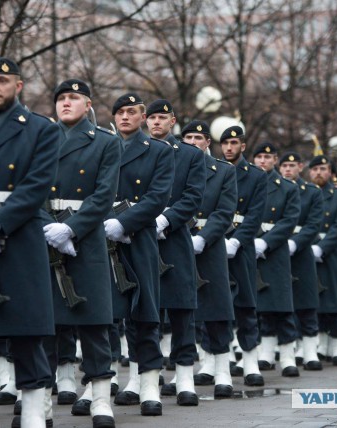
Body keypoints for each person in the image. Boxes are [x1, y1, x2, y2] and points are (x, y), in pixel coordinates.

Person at [0, 57, 60, 428]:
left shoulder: (39, 129)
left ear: (18, 86)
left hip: (18, 236)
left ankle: (35, 409)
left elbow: (37, 185)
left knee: (27, 329)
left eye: (2, 80)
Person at [40, 79, 121, 428]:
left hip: (85, 238)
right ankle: (40, 399)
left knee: (93, 322)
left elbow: (104, 195)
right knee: (45, 325)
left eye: (74, 98)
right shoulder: (42, 139)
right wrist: (47, 225)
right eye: (61, 99)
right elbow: (32, 187)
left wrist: (72, 228)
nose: (66, 103)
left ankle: (101, 396)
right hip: (45, 235)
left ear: (88, 104)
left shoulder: (105, 142)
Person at [109, 93, 174, 416]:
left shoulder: (158, 151)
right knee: (103, 314)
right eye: (119, 112)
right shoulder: (103, 147)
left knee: (145, 312)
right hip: (103, 236)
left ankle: (149, 382)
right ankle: (98, 383)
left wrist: (123, 222)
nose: (125, 117)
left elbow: (158, 196)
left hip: (139, 236)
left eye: (132, 112)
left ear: (143, 117)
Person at [145, 102, 206, 406]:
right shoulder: (133, 150)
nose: (157, 122)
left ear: (172, 121)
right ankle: (142, 376)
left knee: (182, 309)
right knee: (142, 310)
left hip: (175, 237)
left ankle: (184, 377)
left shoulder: (191, 154)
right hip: (139, 236)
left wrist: (166, 218)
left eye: (162, 118)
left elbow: (194, 197)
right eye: (152, 117)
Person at [181, 122, 237, 398]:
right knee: (183, 308)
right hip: (178, 239)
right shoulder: (173, 166)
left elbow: (225, 211)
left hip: (210, 243)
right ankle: (199, 364)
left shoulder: (223, 170)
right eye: (188, 137)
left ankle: (223, 369)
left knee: (216, 307)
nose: (193, 141)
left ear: (207, 142)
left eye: (198, 138)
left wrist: (204, 237)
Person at [210, 126, 267, 387]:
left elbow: (255, 215)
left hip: (240, 244)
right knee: (216, 304)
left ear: (243, 146)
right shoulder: (215, 170)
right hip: (215, 241)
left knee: (246, 303)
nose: (229, 147)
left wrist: (237, 240)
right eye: (225, 143)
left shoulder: (255, 175)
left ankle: (251, 359)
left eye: (234, 143)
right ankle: (214, 358)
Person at [251, 143, 300, 377]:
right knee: (259, 306)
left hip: (275, 250)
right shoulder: (247, 182)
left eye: (267, 157)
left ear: (275, 160)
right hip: (249, 247)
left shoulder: (287, 188)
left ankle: (288, 355)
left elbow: (289, 221)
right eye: (259, 156)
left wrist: (266, 242)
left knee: (281, 305)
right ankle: (266, 354)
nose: (262, 161)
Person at [278, 152, 323, 371]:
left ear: (300, 167)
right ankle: (282, 348)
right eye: (284, 165)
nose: (287, 169)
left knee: (306, 300)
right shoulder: (273, 187)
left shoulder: (312, 192)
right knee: (280, 301)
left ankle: (310, 349)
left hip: (301, 249)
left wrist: (295, 243)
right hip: (276, 248)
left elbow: (314, 224)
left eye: (292, 165)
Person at [308, 156, 337, 366]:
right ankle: (321, 343)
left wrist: (322, 247)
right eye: (314, 169)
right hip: (307, 251)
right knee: (313, 300)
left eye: (322, 169)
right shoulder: (305, 193)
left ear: (331, 173)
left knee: (334, 300)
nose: (318, 173)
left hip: (331, 253)